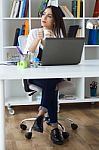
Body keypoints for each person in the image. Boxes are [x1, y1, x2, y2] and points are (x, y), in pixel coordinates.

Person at [25, 5, 68, 145]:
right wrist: (38, 40)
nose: (44, 17)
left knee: (51, 82)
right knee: (52, 86)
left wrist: (51, 41)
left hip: (54, 75)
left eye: (49, 16)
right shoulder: (33, 32)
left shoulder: (59, 34)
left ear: (55, 20)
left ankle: (40, 115)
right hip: (35, 75)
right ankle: (54, 127)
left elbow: (62, 59)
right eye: (43, 14)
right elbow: (27, 56)